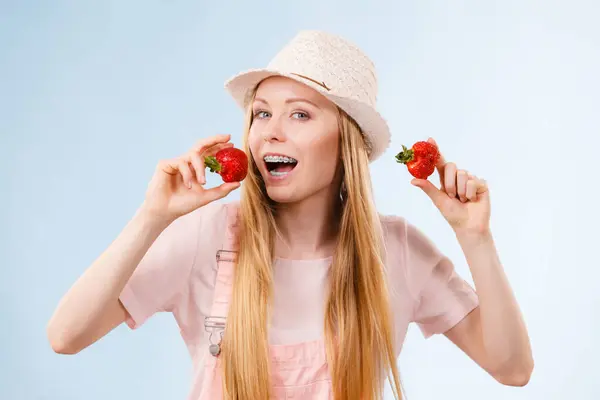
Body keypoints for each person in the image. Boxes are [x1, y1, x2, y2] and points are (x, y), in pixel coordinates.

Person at [47, 30, 533, 400]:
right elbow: (66, 335)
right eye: (261, 113)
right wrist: (152, 217)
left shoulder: (397, 251)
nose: (270, 133)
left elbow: (513, 368)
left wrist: (476, 237)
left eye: (299, 114)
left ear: (346, 143)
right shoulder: (206, 238)